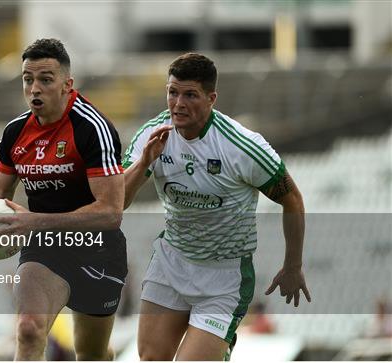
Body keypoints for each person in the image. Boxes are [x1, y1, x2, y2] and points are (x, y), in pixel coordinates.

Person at [123, 53, 311, 361]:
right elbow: (119, 201)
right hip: (171, 264)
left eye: (190, 95)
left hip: (224, 278)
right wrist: (145, 161)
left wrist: (293, 266)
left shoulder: (242, 147)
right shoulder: (152, 135)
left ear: (211, 98)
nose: (178, 103)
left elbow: (292, 198)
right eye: (172, 92)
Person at [0, 38, 127, 360]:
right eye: (28, 79)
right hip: (44, 247)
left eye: (46, 80)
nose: (35, 88)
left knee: (91, 352)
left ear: (67, 85)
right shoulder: (15, 132)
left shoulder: (92, 128)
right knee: (28, 330)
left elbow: (111, 213)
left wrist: (34, 220)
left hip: (97, 250)